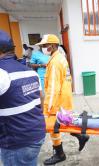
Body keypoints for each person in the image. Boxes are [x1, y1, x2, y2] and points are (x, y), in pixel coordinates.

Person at [36, 34, 89, 165]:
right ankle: (81, 136)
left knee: (53, 128)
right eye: (42, 46)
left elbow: (53, 88)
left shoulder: (54, 62)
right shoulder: (60, 58)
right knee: (63, 123)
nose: (43, 48)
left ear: (53, 45)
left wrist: (48, 108)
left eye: (44, 45)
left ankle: (59, 154)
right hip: (64, 99)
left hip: (57, 101)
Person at [0, 30, 45, 166]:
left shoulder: (2, 73)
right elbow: (41, 100)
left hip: (17, 141)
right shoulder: (30, 72)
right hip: (36, 133)